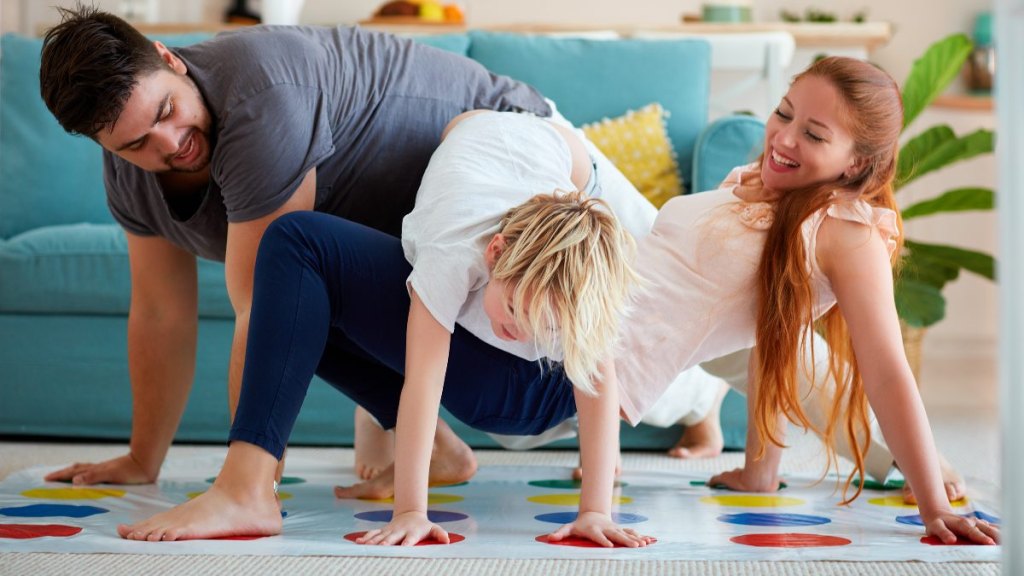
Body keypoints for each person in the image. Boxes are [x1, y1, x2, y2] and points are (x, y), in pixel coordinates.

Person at [37, 6, 552, 486]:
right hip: (402, 231)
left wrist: (248, 488)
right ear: (105, 147)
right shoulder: (130, 181)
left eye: (166, 110)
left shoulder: (261, 96)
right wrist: (141, 461)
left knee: (292, 283)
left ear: (170, 58)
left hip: (519, 156)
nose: (169, 142)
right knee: (305, 284)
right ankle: (436, 451)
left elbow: (262, 312)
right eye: (135, 144)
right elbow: (159, 313)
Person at [116, 110, 653, 547]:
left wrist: (595, 511)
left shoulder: (576, 273)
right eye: (513, 314)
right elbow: (423, 379)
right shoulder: (455, 245)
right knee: (299, 270)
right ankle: (256, 485)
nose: (521, 336)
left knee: (302, 247)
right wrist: (412, 511)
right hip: (495, 176)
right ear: (495, 251)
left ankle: (248, 490)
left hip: (532, 397)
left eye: (542, 329)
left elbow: (601, 387)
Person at [606, 56, 996, 544]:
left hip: (610, 360)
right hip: (625, 336)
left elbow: (887, 371)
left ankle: (921, 464)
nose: (784, 138)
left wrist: (935, 507)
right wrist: (758, 473)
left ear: (856, 161)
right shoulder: (766, 185)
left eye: (814, 135)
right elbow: (770, 333)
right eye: (784, 113)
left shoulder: (846, 234)